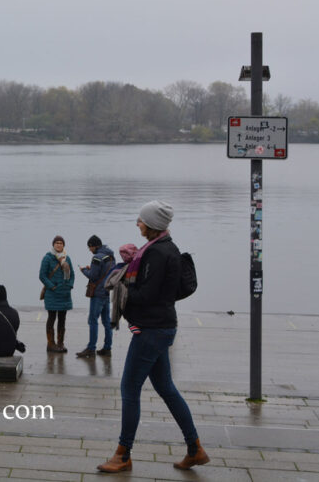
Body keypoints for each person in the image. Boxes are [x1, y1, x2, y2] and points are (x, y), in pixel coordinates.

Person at [97, 201, 209, 474]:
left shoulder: (158, 254)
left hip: (152, 330)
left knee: (129, 389)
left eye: (141, 220)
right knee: (166, 388)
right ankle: (195, 449)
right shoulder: (164, 248)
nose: (137, 223)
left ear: (152, 225)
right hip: (161, 326)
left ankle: (123, 454)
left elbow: (147, 295)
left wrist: (121, 286)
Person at [77, 235, 116, 358]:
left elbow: (93, 276)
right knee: (106, 322)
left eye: (90, 247)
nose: (90, 250)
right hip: (106, 292)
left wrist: (83, 270)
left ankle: (91, 348)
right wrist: (92, 270)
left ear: (94, 246)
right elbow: (105, 273)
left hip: (98, 294)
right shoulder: (110, 256)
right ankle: (107, 347)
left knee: (93, 320)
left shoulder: (97, 257)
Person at [39, 235, 75, 353]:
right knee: (52, 318)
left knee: (62, 319)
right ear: (53, 245)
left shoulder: (67, 258)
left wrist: (69, 285)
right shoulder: (47, 258)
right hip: (52, 294)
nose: (59, 245)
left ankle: (60, 343)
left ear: (63, 245)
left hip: (64, 294)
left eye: (61, 243)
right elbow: (42, 276)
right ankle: (51, 344)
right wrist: (52, 286)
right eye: (57, 243)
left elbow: (72, 274)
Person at [106, 243, 138, 331]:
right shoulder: (139, 264)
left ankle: (131, 322)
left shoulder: (119, 267)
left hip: (126, 296)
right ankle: (133, 322)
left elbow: (108, 282)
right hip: (134, 295)